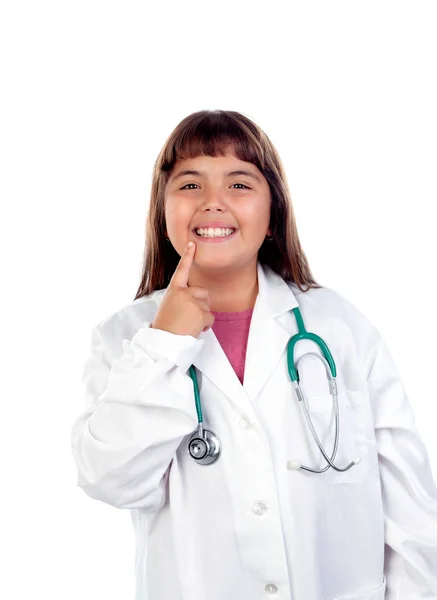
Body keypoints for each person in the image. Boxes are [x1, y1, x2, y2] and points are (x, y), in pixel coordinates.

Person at [70, 110, 437, 600]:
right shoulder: (125, 337)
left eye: (239, 184)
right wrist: (164, 345)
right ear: (163, 211)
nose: (213, 203)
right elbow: (111, 479)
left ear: (272, 218)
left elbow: (411, 510)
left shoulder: (340, 326)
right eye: (190, 185)